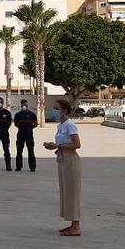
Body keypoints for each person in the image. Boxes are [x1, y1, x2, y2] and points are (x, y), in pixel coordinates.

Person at [44, 100, 82, 237]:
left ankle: (76, 226)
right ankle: (72, 224)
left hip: (70, 160)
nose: (54, 110)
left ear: (64, 110)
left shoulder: (70, 125)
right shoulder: (61, 125)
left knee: (72, 192)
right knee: (66, 192)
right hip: (62, 159)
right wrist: (54, 146)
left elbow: (77, 144)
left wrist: (58, 146)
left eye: (56, 108)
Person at [14, 99, 37, 172]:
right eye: (23, 105)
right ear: (21, 105)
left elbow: (35, 124)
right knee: (19, 151)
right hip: (20, 135)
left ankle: (32, 167)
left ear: (27, 105)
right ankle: (18, 167)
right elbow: (16, 124)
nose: (24, 106)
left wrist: (29, 128)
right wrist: (22, 128)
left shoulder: (32, 114)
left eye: (26, 105)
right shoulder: (18, 115)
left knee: (31, 150)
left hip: (29, 135)